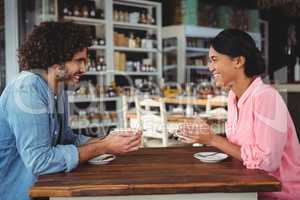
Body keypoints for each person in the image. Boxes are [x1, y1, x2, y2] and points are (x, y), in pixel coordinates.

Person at [0, 21, 141, 200]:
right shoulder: (27, 88)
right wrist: (103, 146)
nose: (84, 68)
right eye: (78, 61)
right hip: (13, 193)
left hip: (39, 191)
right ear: (56, 61)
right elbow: (40, 161)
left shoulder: (58, 89)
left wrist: (111, 141)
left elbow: (67, 139)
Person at [178, 29, 300, 200]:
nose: (210, 67)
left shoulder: (266, 97)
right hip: (249, 188)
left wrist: (213, 139)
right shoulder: (233, 97)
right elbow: (243, 144)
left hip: (279, 194)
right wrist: (202, 135)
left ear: (238, 61)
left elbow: (267, 162)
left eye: (214, 59)